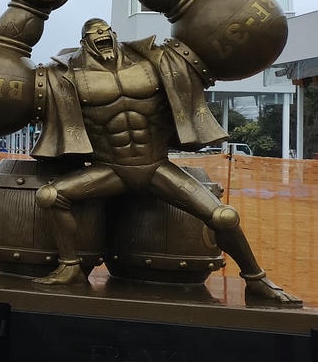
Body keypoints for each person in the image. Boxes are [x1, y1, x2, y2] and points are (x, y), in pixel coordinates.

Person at [31, 19, 297, 303]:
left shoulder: (153, 63)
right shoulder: (70, 75)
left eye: (106, 30)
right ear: (84, 42)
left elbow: (196, 66)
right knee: (51, 195)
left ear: (115, 34)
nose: (102, 35)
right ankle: (69, 266)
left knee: (224, 216)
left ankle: (256, 280)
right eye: (94, 33)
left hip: (156, 166)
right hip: (110, 168)